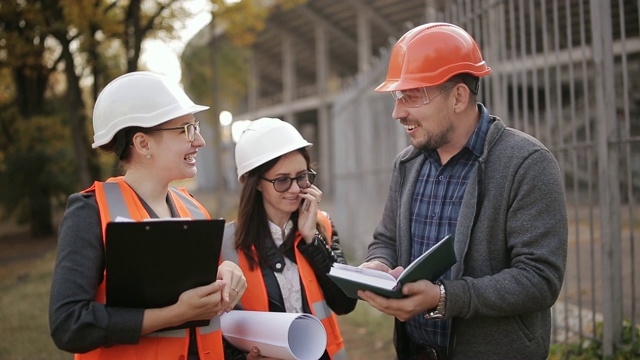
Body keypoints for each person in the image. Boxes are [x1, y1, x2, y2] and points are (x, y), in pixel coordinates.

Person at [357, 22, 568, 359]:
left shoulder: (527, 163)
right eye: (398, 97)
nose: (398, 112)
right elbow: (387, 240)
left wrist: (444, 297)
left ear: (458, 96)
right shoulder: (407, 164)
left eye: (411, 95)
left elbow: (539, 280)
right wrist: (379, 265)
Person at [49, 71, 247, 360]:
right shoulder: (90, 212)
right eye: (186, 129)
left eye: (196, 127)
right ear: (143, 144)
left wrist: (228, 272)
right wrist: (174, 314)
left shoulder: (194, 209)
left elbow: (204, 316)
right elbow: (69, 325)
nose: (200, 141)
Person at [220, 117, 356, 360]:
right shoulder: (226, 244)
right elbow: (215, 329)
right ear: (256, 183)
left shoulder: (322, 225)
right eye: (282, 180)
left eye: (302, 176)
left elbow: (346, 304)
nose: (295, 189)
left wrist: (312, 239)